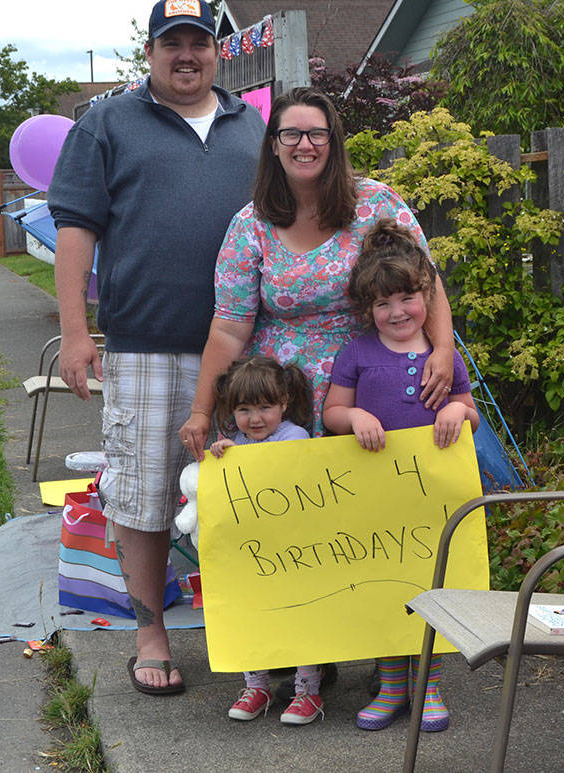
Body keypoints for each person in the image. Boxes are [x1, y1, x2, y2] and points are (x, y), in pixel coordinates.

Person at [177, 86, 457, 712]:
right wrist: (202, 409)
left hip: (376, 394)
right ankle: (312, 654)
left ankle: (398, 659)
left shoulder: (377, 205)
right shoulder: (250, 224)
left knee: (381, 532)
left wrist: (443, 352)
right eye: (290, 134)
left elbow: (425, 284)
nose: (305, 144)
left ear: (333, 142)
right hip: (287, 404)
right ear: (272, 147)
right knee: (302, 538)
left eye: (317, 133)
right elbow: (228, 325)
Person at [47, 0, 265, 696]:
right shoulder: (108, 122)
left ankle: (254, 633)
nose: (187, 54)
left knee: (242, 493)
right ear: (149, 53)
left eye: (198, 42)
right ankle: (151, 633)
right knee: (142, 496)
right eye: (172, 42)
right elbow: (75, 231)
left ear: (215, 50)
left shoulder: (249, 126)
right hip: (143, 345)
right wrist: (77, 333)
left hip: (246, 356)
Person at [322, 218, 480, 732]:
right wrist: (355, 418)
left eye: (408, 299)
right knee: (383, 588)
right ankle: (392, 685)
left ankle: (428, 684)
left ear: (426, 297)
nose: (397, 313)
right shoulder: (358, 353)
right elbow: (331, 413)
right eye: (383, 304)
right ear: (368, 309)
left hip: (431, 500)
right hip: (374, 500)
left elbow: (467, 407)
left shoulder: (442, 356)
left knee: (428, 585)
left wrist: (458, 413)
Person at [202, 356, 326, 724]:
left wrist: (238, 454)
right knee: (251, 616)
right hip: (251, 555)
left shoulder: (295, 437)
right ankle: (257, 685)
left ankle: (308, 692)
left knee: (301, 617)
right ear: (231, 410)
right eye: (244, 409)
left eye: (265, 407)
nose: (255, 419)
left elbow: (288, 472)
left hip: (294, 552)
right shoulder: (236, 442)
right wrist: (221, 456)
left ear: (284, 404)